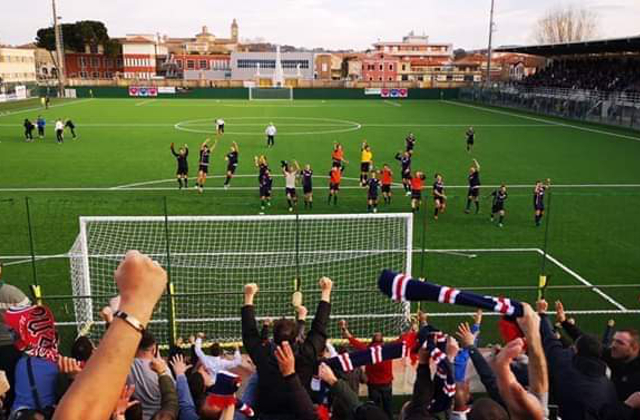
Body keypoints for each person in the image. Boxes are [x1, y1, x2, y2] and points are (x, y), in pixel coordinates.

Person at [241, 277, 333, 418]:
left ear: (274, 337)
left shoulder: (263, 354)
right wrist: (326, 292)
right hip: (298, 414)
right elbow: (319, 328)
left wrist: (248, 297)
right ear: (297, 338)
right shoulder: (307, 353)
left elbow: (249, 334)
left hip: (268, 415)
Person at [340, 321, 393, 420]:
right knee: (388, 409)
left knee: (375, 410)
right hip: (386, 385)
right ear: (383, 341)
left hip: (373, 385)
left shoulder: (368, 350)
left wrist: (345, 330)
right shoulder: (388, 350)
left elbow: (354, 341)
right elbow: (402, 341)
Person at [126, 331, 175, 420]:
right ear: (154, 349)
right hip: (160, 417)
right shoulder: (164, 370)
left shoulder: (124, 367)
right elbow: (172, 397)